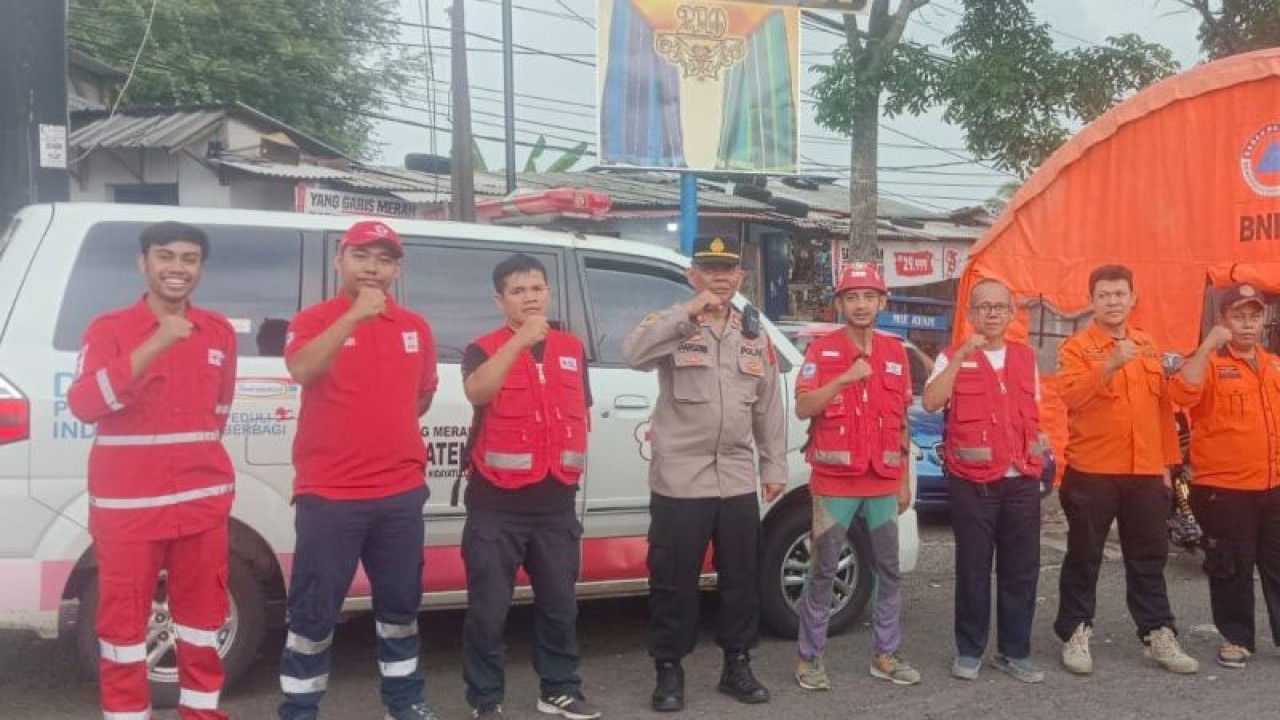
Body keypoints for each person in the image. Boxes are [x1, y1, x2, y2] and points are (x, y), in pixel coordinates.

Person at [68, 221, 238, 720]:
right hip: (129, 510)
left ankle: (202, 714)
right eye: (165, 256)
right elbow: (84, 404)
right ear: (143, 264)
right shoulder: (109, 329)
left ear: (200, 268)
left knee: (203, 625)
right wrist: (157, 342)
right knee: (123, 631)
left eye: (189, 259)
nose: (177, 268)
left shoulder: (219, 331)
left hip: (201, 505)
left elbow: (218, 413)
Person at [277, 220, 442, 720]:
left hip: (399, 493)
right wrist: (353, 318)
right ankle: (300, 708)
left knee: (399, 610)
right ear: (339, 260)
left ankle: (404, 700)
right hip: (330, 495)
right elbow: (303, 370)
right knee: (314, 612)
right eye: (362, 256)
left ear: (397, 267)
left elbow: (422, 396)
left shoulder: (416, 327)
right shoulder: (313, 319)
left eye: (385, 259)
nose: (374, 268)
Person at [622, 235, 786, 713]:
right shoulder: (671, 323)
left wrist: (772, 466)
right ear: (692, 275)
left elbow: (769, 407)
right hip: (681, 478)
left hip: (735, 478)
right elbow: (635, 354)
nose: (718, 277)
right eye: (708, 269)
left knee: (741, 578)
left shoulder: (754, 333)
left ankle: (737, 664)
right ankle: (669, 669)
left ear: (740, 278)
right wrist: (688, 312)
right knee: (673, 580)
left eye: (727, 270)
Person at [459, 254, 601, 720]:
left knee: (560, 606)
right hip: (496, 504)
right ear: (500, 300)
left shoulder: (571, 348)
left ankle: (559, 688)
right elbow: (478, 393)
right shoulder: (482, 347)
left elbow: (580, 412)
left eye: (537, 288)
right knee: (489, 609)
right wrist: (519, 342)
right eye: (518, 291)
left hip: (556, 500)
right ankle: (485, 698)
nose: (530, 297)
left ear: (549, 293)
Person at [1053, 264, 1197, 675]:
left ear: (1133, 298)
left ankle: (1158, 634)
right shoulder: (1076, 348)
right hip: (1093, 471)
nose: (1113, 301)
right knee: (1084, 556)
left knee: (1149, 557)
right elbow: (1071, 397)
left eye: (1120, 294)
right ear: (1091, 301)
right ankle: (1076, 633)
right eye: (1104, 295)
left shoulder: (1148, 345)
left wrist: (1167, 468)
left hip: (1147, 473)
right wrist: (1110, 364)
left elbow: (1162, 409)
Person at [792, 262, 920, 691]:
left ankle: (885, 654)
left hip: (883, 479)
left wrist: (902, 477)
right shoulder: (823, 351)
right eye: (852, 297)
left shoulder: (895, 351)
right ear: (840, 304)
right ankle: (809, 658)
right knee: (823, 568)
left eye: (869, 296)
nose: (861, 304)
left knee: (889, 569)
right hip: (835, 481)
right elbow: (804, 408)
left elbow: (901, 418)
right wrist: (845, 378)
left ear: (882, 301)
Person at [921, 278, 1046, 684]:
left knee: (1021, 569)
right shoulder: (951, 355)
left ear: (1012, 313)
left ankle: (1015, 651)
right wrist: (962, 357)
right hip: (972, 481)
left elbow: (1036, 414)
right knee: (974, 568)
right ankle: (970, 649)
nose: (992, 313)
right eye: (983, 307)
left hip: (1021, 480)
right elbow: (931, 401)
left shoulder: (1026, 358)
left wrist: (1042, 458)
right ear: (971, 314)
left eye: (1000, 307)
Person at [1169, 283, 1280, 669]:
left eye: (1254, 316)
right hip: (1224, 489)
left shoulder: (1273, 364)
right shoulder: (1210, 364)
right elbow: (1181, 396)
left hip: (1274, 485)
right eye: (1238, 316)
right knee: (1230, 565)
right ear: (1224, 321)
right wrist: (1206, 346)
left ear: (1264, 320)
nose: (1247, 324)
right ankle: (1237, 638)